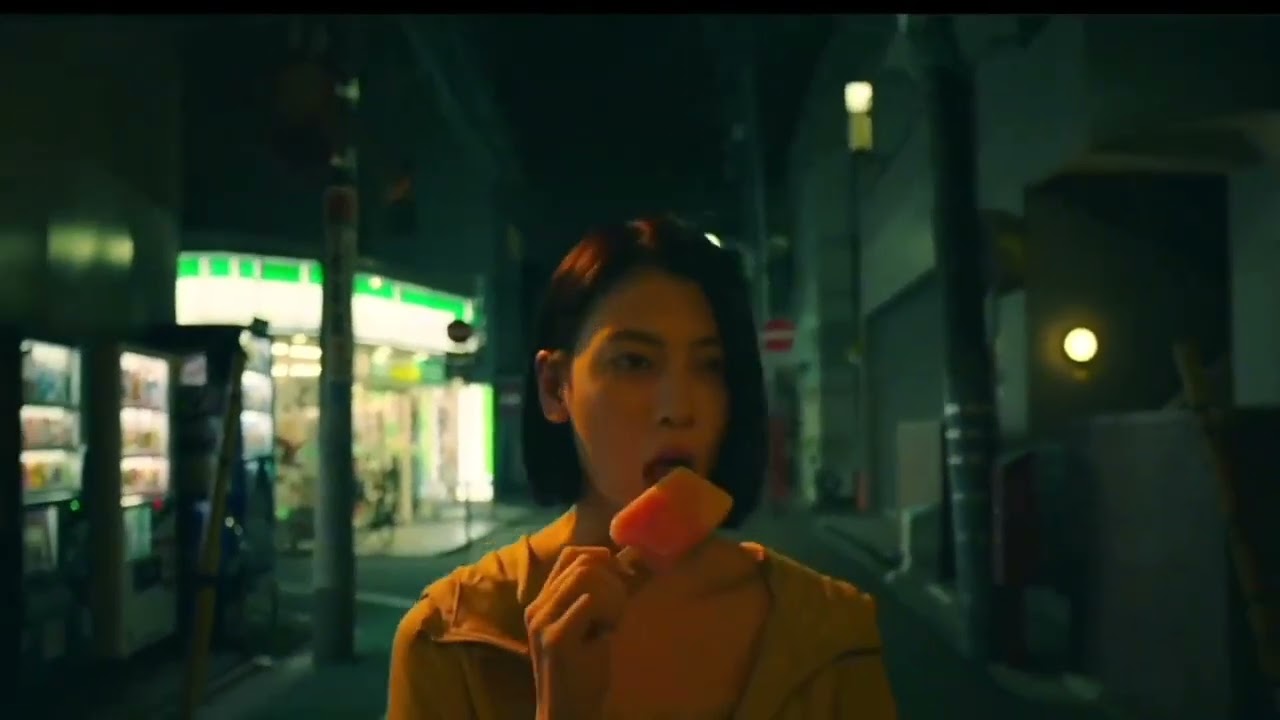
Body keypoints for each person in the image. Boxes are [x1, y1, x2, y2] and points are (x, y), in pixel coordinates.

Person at [387, 217, 897, 719]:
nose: (679, 408)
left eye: (710, 366)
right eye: (633, 362)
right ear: (554, 387)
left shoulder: (830, 635)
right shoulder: (451, 639)